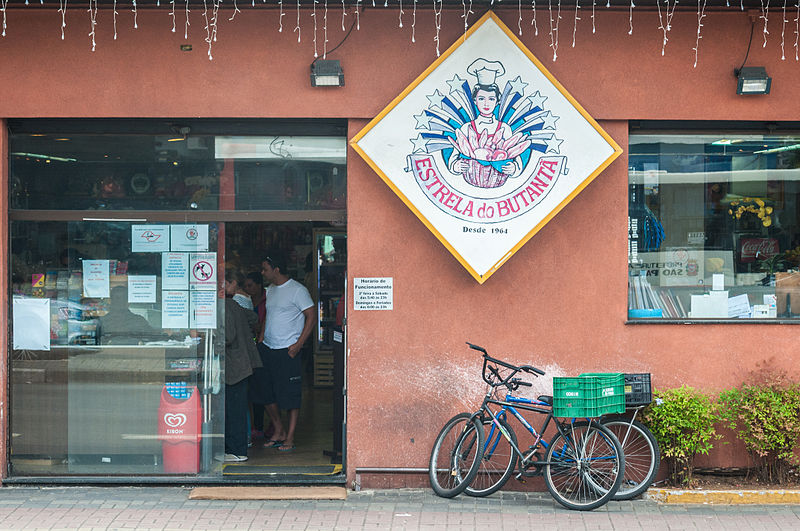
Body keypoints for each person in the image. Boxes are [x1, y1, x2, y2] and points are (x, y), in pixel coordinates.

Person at [259, 252, 315, 452]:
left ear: (277, 269)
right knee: (266, 393)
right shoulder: (271, 290)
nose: (262, 273)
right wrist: (261, 337)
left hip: (288, 350)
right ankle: (279, 430)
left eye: (265, 269)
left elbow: (311, 316)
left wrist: (299, 344)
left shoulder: (297, 290)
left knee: (290, 396)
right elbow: (269, 315)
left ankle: (289, 437)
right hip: (269, 347)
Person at [223, 273, 262, 462]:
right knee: (237, 408)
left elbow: (228, 336)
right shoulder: (234, 305)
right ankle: (236, 448)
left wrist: (206, 337)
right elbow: (253, 317)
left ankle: (237, 451)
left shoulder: (224, 306)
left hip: (235, 366)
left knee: (234, 409)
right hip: (243, 363)